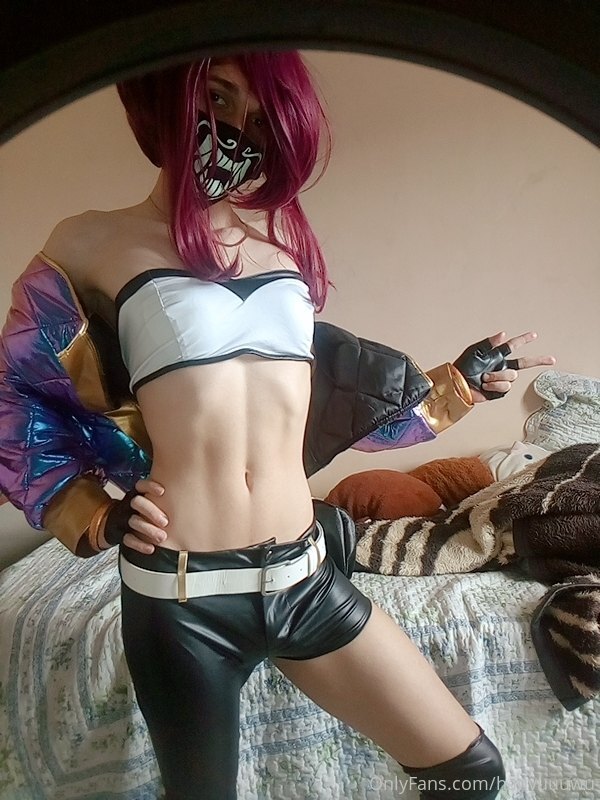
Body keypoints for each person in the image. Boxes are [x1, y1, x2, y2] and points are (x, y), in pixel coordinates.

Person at [0, 51, 555, 800]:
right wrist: (91, 512)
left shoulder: (280, 255)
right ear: (170, 95)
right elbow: (17, 401)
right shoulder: (89, 244)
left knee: (470, 773)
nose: (235, 128)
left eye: (261, 117)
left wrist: (458, 385)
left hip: (305, 579)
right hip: (183, 597)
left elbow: (315, 403)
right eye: (218, 97)